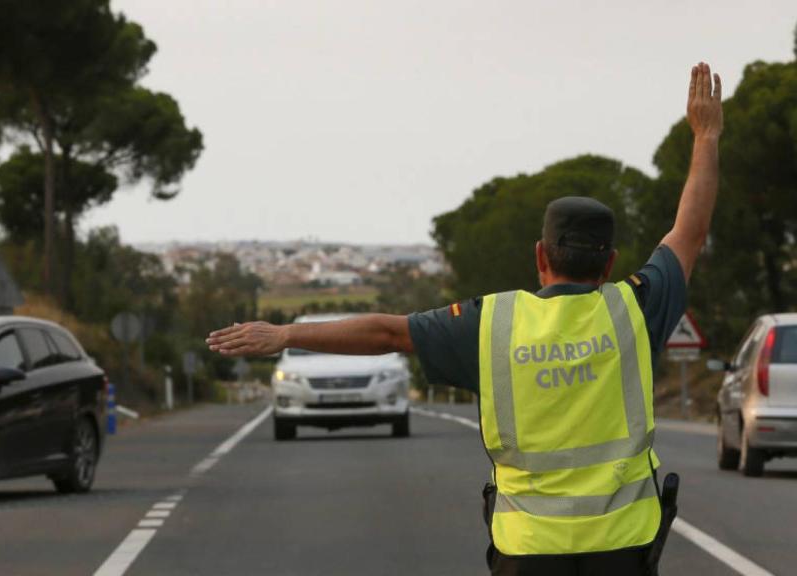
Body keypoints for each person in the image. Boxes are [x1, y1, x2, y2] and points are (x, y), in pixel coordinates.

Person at [206, 62, 722, 575]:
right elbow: (689, 231)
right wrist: (705, 135)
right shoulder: (634, 307)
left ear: (540, 256)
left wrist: (285, 334)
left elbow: (386, 331)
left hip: (527, 551)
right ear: (609, 263)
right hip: (622, 549)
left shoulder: (490, 323)